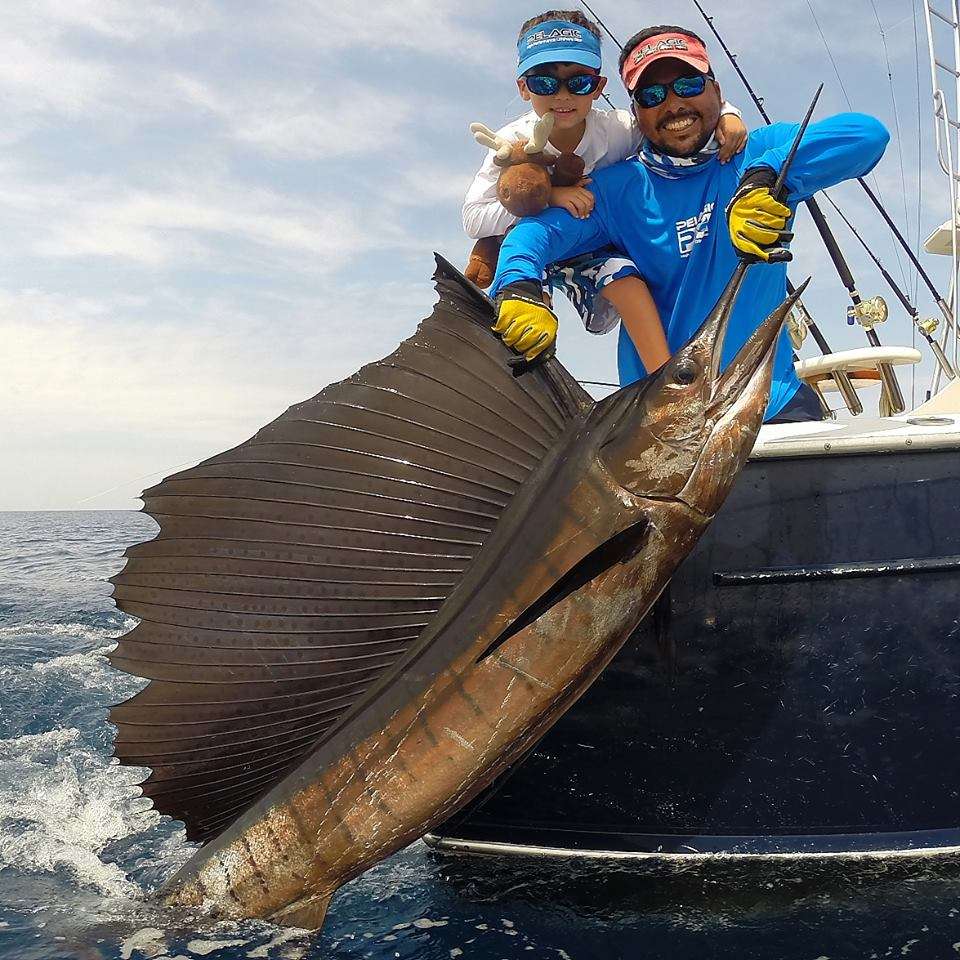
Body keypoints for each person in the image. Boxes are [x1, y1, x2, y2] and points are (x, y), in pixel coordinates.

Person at [488, 24, 890, 423]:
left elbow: (867, 135)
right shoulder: (615, 190)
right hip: (663, 422)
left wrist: (764, 178)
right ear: (637, 113)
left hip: (772, 404)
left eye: (688, 85)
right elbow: (533, 234)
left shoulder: (762, 152)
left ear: (716, 91)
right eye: (652, 95)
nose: (673, 104)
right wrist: (519, 286)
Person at [463, 10, 748, 374]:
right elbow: (473, 218)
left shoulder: (619, 129)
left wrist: (728, 112)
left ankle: (667, 385)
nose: (562, 95)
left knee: (625, 279)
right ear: (523, 87)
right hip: (536, 243)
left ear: (598, 87)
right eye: (544, 84)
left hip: (591, 243)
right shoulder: (508, 143)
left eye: (579, 82)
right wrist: (548, 196)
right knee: (519, 326)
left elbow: (674, 117)